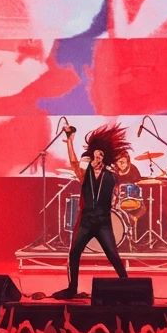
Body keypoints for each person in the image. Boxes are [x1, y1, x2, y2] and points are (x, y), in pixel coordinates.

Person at [54, 124, 130, 299]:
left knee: (113, 254)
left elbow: (119, 174)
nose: (97, 157)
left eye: (100, 155)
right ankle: (72, 289)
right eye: (95, 154)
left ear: (104, 158)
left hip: (103, 221)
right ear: (91, 157)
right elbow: (74, 162)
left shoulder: (110, 176)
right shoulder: (84, 174)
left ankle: (128, 285)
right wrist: (69, 142)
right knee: (74, 253)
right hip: (87, 221)